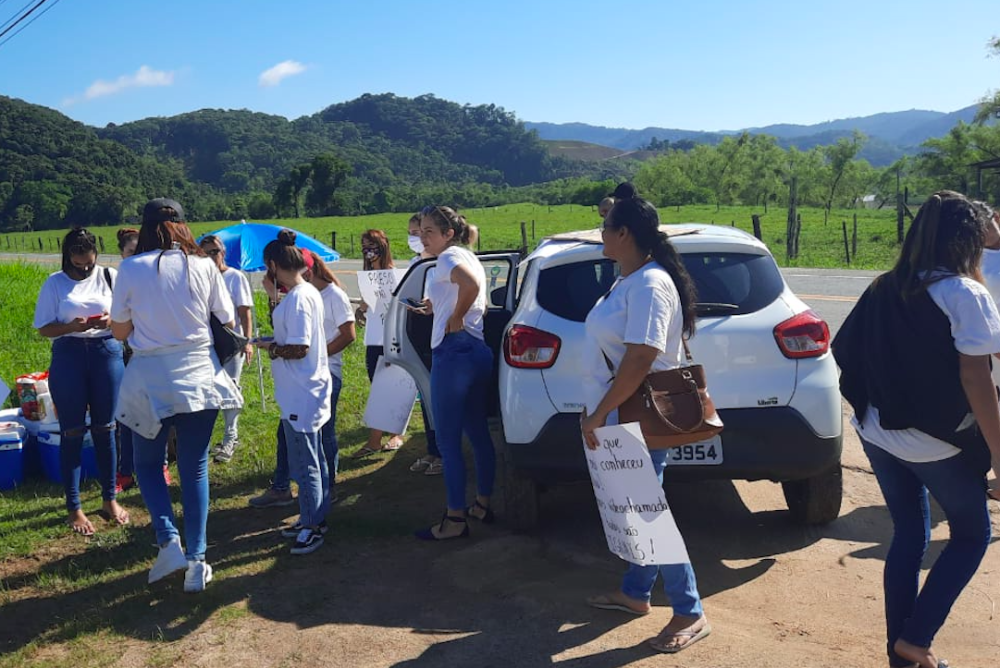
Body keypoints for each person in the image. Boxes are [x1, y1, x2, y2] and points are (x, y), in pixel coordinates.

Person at [833, 190, 1000, 668]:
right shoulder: (964, 292)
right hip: (933, 441)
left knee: (909, 531)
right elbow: (976, 377)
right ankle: (917, 638)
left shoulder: (886, 284)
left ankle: (901, 652)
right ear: (967, 241)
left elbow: (848, 351)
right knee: (971, 535)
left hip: (877, 432)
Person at [579, 194, 710, 655]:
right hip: (616, 413)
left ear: (624, 234)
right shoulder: (628, 280)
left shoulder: (650, 284)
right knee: (637, 507)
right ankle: (636, 592)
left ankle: (690, 609)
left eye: (605, 226)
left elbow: (640, 357)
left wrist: (598, 413)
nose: (600, 233)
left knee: (648, 512)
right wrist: (594, 409)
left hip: (634, 415)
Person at [110, 197, 242, 592]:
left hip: (150, 377)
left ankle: (168, 542)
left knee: (147, 464)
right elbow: (229, 320)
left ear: (146, 228)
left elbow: (119, 331)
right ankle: (198, 559)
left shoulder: (131, 268)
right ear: (184, 226)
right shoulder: (203, 265)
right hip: (200, 373)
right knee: (194, 466)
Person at [33, 227, 127, 536]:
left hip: (106, 351)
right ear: (67, 258)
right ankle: (74, 507)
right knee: (72, 431)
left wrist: (109, 321)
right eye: (78, 263)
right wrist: (70, 326)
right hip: (69, 354)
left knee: (106, 428)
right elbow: (43, 329)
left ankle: (109, 499)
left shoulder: (109, 276)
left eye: (89, 262)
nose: (85, 268)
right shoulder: (54, 284)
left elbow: (127, 315)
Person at [413, 205, 495, 540]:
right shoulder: (466, 255)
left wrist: (455, 315)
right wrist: (438, 306)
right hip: (477, 349)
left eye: (429, 231)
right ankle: (482, 504)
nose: (422, 237)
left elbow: (471, 287)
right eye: (421, 231)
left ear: (449, 233)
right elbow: (476, 294)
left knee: (447, 440)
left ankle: (455, 519)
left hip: (454, 351)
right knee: (477, 432)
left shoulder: (447, 258)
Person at [252, 231, 332, 555]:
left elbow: (299, 347)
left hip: (301, 391)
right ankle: (314, 515)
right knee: (315, 458)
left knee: (305, 463)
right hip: (305, 389)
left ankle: (313, 526)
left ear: (273, 264)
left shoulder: (299, 298)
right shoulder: (305, 292)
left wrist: (271, 348)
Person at [199, 234, 254, 464]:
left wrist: (248, 340)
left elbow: (244, 313)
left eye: (215, 252)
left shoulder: (234, 277)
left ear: (223, 253)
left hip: (231, 340)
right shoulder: (199, 277)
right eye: (206, 253)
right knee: (208, 391)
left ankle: (230, 436)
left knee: (231, 387)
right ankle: (208, 439)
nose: (212, 257)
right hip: (207, 342)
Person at [355, 228, 406, 456]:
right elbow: (369, 302)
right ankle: (376, 438)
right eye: (365, 246)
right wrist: (361, 310)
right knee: (377, 387)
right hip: (373, 339)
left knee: (392, 387)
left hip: (393, 339)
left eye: (372, 246)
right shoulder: (369, 277)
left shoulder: (395, 276)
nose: (368, 251)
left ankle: (394, 435)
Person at [406, 213, 443, 476]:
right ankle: (432, 448)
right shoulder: (413, 264)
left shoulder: (444, 264)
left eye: (419, 232)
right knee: (425, 397)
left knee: (439, 397)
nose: (415, 238)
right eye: (411, 233)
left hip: (438, 335)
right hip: (416, 335)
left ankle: (443, 452)